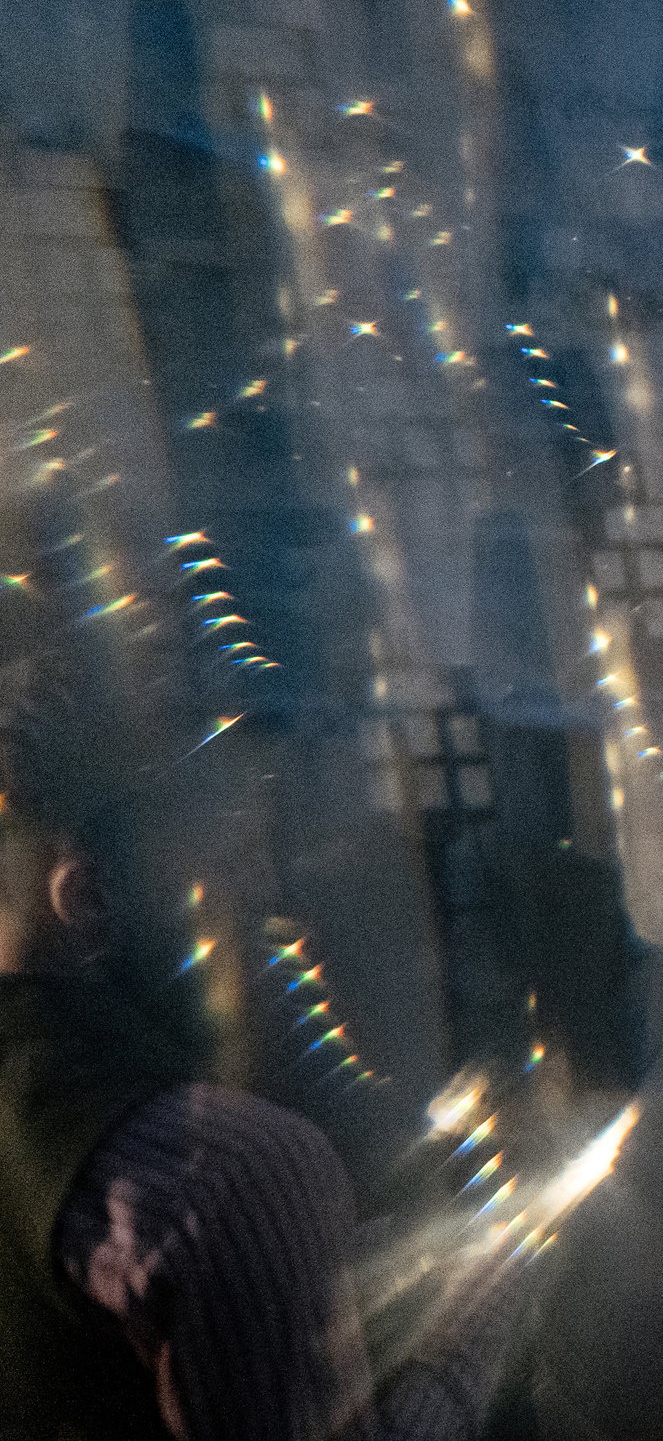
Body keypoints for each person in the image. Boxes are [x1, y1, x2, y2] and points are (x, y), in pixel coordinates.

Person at [0, 553, 525, 1440]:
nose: (265, 893)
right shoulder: (241, 1174)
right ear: (87, 896)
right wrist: (469, 1329)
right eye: (228, 859)